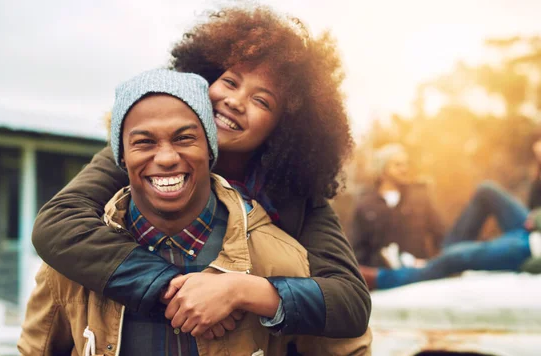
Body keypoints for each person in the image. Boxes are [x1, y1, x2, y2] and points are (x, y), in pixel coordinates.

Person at [30, 5, 369, 342]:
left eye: (261, 101)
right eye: (230, 82)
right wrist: (169, 287)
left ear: (287, 127)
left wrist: (242, 291)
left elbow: (350, 302)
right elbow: (58, 224)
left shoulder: (297, 196)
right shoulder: (147, 156)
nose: (236, 101)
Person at [361, 180, 541, 289]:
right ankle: (441, 261)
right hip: (533, 228)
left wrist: (530, 265)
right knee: (486, 191)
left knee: (456, 256)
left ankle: (381, 279)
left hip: (534, 248)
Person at [351, 143, 445, 268]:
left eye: (406, 164)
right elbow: (357, 250)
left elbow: (440, 235)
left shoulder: (420, 197)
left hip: (418, 275)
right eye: (397, 165)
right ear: (382, 169)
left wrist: (437, 265)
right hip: (383, 279)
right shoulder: (365, 205)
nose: (404, 169)